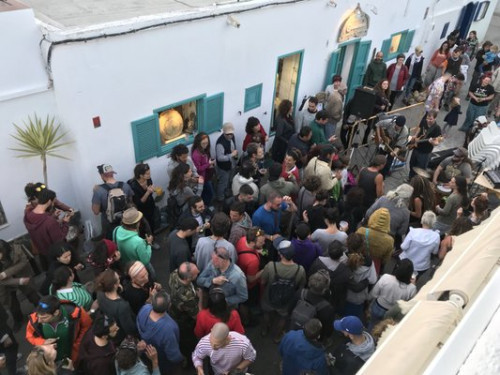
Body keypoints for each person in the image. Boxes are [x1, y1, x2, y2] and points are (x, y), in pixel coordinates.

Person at [260, 238, 306, 343]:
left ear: (281, 255)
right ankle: (277, 337)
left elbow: (263, 281)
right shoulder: (300, 270)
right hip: (286, 299)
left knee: (266, 313)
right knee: (283, 317)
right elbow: (301, 286)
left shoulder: (271, 266)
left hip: (269, 297)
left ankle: (264, 330)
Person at [26, 295, 92, 362]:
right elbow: (30, 336)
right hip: (52, 360)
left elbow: (87, 326)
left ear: (56, 313)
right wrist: (43, 342)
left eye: (44, 318)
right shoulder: (34, 319)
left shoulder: (75, 312)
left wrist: (78, 344)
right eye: (38, 316)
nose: (39, 320)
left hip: (75, 356)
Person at [136, 291, 184, 375]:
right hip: (161, 358)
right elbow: (172, 354)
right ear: (169, 306)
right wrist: (179, 359)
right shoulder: (169, 327)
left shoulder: (144, 309)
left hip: (146, 352)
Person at [24, 188, 70, 271]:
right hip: (57, 256)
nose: (53, 204)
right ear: (49, 201)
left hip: (43, 253)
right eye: (53, 202)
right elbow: (59, 240)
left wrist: (52, 216)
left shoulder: (27, 215)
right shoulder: (49, 221)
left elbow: (41, 226)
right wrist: (65, 223)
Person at [0, 240, 39, 330]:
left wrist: (5, 273)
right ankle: (18, 320)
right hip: (8, 284)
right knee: (13, 305)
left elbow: (23, 262)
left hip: (23, 275)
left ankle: (43, 311)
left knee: (33, 295)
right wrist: (19, 281)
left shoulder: (16, 249)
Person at [192, 322, 256, 375]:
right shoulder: (204, 342)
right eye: (211, 342)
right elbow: (197, 356)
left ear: (227, 339)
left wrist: (235, 372)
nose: (213, 347)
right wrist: (199, 368)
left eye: (217, 345)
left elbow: (251, 357)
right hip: (217, 372)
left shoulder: (243, 343)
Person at [368, 259, 416, 330]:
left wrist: (368, 302)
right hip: (393, 313)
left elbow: (374, 293)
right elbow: (409, 304)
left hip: (378, 307)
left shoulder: (386, 278)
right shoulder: (412, 288)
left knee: (372, 324)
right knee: (384, 330)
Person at [92, 164, 134, 240]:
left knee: (112, 245)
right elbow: (131, 203)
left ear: (102, 175)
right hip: (125, 222)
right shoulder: (125, 185)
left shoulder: (98, 190)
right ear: (113, 173)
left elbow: (96, 211)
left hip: (108, 225)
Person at [95, 269, 138, 344]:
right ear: (115, 285)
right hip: (120, 334)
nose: (119, 277)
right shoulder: (122, 306)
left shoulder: (100, 293)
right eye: (118, 278)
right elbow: (129, 328)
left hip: (111, 328)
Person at [169, 262, 200, 359]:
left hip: (173, 308)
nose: (198, 271)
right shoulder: (188, 295)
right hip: (184, 318)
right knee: (188, 340)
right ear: (188, 279)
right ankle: (189, 357)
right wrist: (201, 298)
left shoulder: (175, 274)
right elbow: (196, 315)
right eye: (196, 273)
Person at [290, 270, 334, 338]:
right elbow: (327, 328)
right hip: (312, 336)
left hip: (294, 326)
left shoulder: (300, 293)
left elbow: (290, 309)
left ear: (310, 282)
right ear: (325, 289)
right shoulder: (327, 308)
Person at [235, 227, 265, 325]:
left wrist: (258, 251)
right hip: (248, 287)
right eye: (261, 243)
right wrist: (264, 270)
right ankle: (246, 320)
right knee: (245, 303)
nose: (263, 244)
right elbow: (251, 279)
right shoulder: (253, 261)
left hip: (239, 279)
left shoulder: (243, 240)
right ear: (252, 243)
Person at [400, 211, 440, 278]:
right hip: (421, 266)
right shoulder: (436, 236)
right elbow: (435, 252)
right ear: (433, 222)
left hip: (405, 261)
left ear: (422, 219)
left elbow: (403, 247)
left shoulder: (413, 231)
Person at [113, 208, 153, 273]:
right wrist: (149, 244)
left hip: (125, 267)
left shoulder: (116, 230)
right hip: (138, 269)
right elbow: (146, 261)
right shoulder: (139, 242)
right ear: (137, 224)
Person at [356, 207, 394, 276]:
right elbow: (386, 259)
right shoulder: (390, 240)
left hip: (359, 261)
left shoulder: (361, 231)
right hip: (375, 266)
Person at [408, 110, 442, 179]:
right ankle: (410, 178)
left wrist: (431, 142)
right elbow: (420, 128)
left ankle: (417, 182)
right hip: (416, 147)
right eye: (427, 118)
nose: (428, 120)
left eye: (430, 119)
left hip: (425, 152)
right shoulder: (424, 121)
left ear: (435, 118)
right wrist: (415, 136)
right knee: (412, 164)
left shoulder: (437, 128)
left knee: (420, 169)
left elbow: (437, 143)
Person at [128, 163, 159, 237]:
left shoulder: (148, 179)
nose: (149, 175)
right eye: (147, 174)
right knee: (144, 227)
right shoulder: (133, 186)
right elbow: (139, 203)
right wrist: (148, 192)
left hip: (150, 205)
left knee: (152, 223)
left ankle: (152, 239)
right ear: (141, 175)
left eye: (149, 173)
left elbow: (150, 189)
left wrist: (153, 190)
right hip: (141, 210)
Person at [215, 122, 238, 203]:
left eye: (231, 134)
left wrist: (235, 155)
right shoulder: (220, 143)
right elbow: (220, 158)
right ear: (224, 132)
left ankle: (227, 193)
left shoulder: (232, 137)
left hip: (232, 165)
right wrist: (231, 155)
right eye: (227, 134)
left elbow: (233, 147)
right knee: (223, 183)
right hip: (223, 168)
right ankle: (220, 199)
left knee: (230, 180)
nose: (230, 136)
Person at [192, 132, 216, 206]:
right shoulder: (196, 154)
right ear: (198, 143)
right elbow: (198, 168)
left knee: (207, 193)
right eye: (203, 143)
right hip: (202, 178)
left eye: (207, 143)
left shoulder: (203, 150)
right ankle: (205, 206)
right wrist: (208, 164)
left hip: (206, 176)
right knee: (209, 194)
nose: (205, 145)